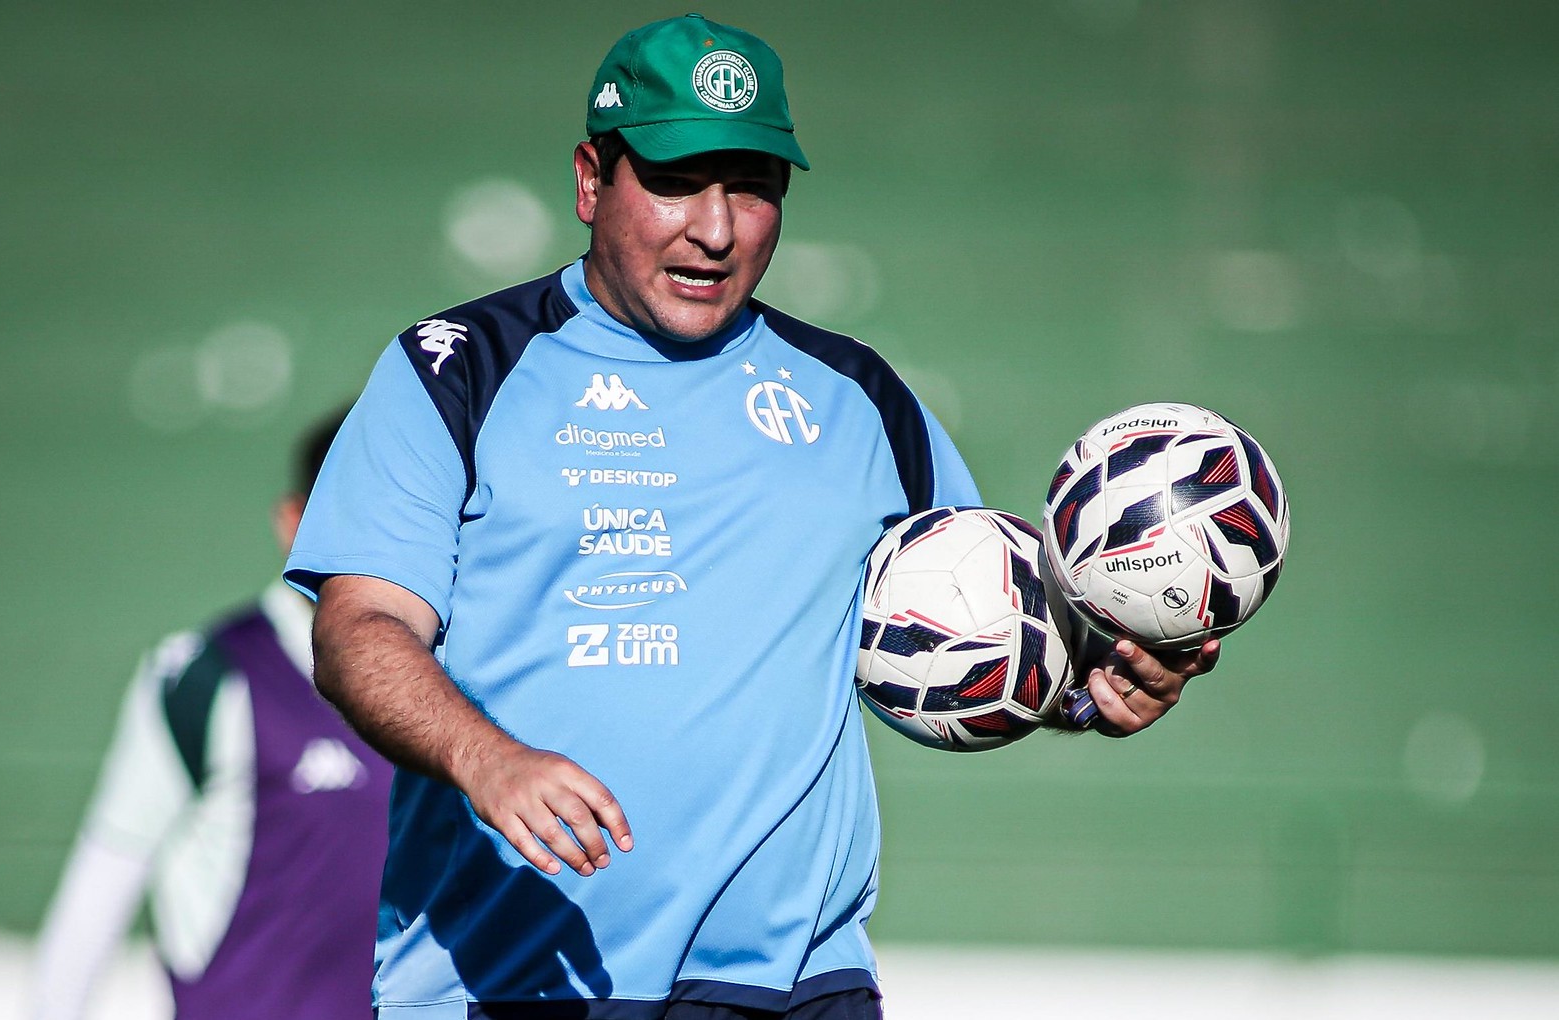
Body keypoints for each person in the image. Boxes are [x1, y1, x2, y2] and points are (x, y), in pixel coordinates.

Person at [285, 14, 1219, 1019]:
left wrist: (1101, 686)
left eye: (754, 188)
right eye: (678, 182)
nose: (718, 229)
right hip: (509, 982)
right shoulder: (456, 370)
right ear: (592, 180)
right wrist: (488, 757)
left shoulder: (861, 398)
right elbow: (358, 634)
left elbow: (996, 629)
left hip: (789, 985)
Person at [30, 408, 392, 1020]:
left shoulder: (467, 676)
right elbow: (106, 878)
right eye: (358, 514)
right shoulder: (210, 676)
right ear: (292, 522)